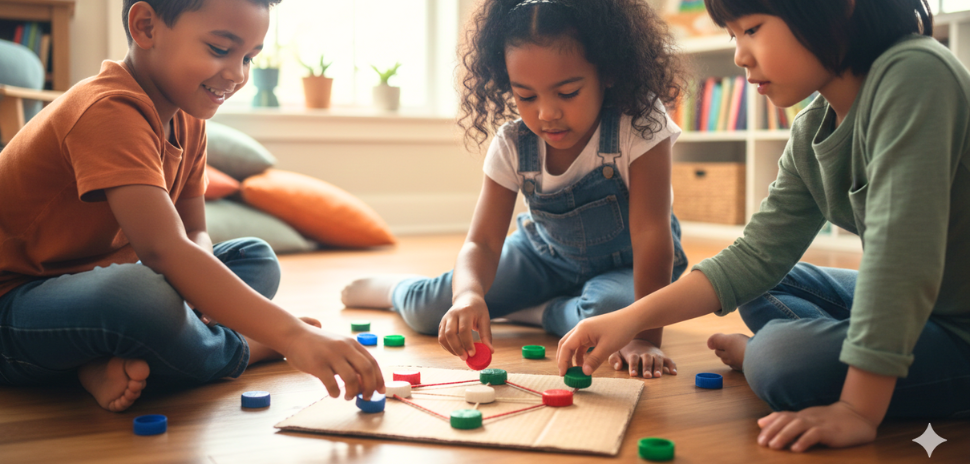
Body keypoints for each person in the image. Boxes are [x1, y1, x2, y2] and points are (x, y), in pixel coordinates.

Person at [557, 0, 970, 453]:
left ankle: (795, 354)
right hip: (923, 308)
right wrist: (629, 319)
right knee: (758, 285)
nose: (740, 56)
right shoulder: (813, 126)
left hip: (958, 326)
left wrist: (857, 408)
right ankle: (846, 347)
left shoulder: (915, 74)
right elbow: (755, 256)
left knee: (779, 359)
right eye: (733, 35)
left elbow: (900, 262)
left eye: (752, 28)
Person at [0, 0, 384, 412]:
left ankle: (100, 360)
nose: (238, 75)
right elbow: (163, 249)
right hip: (17, 302)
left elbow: (193, 232)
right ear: (146, 27)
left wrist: (198, 295)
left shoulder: (189, 118)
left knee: (254, 257)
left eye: (249, 58)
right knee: (137, 297)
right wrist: (291, 336)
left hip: (104, 288)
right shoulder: (107, 110)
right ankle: (242, 348)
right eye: (220, 49)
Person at [342, 0, 688, 378]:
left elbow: (651, 235)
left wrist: (645, 338)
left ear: (608, 72)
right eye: (526, 96)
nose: (546, 113)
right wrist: (468, 295)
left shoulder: (640, 123)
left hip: (630, 266)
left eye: (568, 92)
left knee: (610, 315)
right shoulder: (513, 145)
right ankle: (395, 289)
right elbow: (482, 244)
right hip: (544, 255)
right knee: (432, 312)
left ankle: (535, 311)